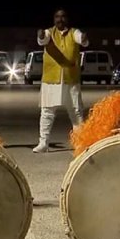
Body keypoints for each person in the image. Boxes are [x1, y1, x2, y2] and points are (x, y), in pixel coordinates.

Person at [33, 9, 89, 153]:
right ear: (54, 19)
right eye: (57, 17)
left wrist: (83, 38)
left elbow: (82, 40)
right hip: (51, 79)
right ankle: (43, 143)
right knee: (47, 112)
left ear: (67, 19)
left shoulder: (73, 33)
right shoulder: (49, 32)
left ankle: (81, 142)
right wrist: (40, 35)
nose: (60, 19)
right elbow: (43, 39)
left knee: (76, 112)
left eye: (63, 16)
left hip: (70, 79)